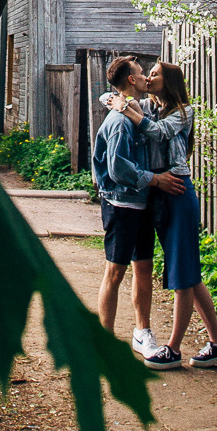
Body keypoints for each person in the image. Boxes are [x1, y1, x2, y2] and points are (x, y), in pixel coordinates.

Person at [113, 60, 217, 368]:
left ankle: (174, 348)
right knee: (189, 272)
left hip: (178, 191)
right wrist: (116, 99)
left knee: (182, 274)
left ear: (170, 81)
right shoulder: (153, 107)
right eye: (147, 73)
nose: (149, 77)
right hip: (160, 193)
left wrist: (123, 107)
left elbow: (158, 133)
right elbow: (117, 96)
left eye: (155, 74)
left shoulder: (181, 111)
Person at [91, 54, 185, 358]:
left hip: (141, 204)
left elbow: (112, 94)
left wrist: (114, 97)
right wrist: (156, 180)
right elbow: (118, 169)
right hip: (121, 205)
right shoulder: (120, 120)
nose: (146, 77)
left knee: (144, 267)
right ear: (132, 80)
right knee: (115, 272)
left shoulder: (139, 109)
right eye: (142, 73)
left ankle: (142, 332)